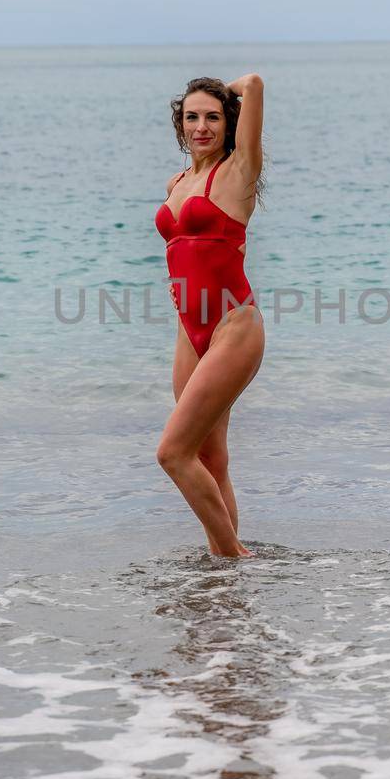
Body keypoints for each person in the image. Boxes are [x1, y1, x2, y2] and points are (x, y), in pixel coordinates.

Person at [154, 74, 265, 557]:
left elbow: (255, 83)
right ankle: (225, 576)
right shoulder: (176, 182)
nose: (202, 126)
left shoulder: (239, 171)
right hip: (188, 333)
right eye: (192, 117)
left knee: (172, 453)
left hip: (232, 329)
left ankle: (234, 555)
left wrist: (224, 87)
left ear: (228, 123)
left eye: (213, 116)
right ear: (180, 125)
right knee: (209, 458)